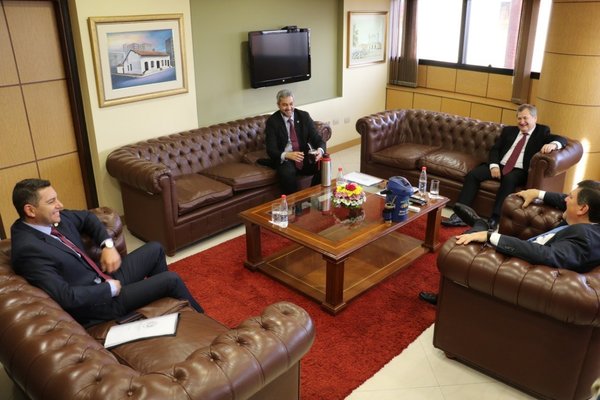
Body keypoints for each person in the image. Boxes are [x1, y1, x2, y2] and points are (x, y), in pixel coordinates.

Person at [10, 178, 204, 327]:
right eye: (52, 201)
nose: (59, 205)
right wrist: (109, 289)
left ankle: (170, 311)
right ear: (30, 210)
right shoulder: (28, 249)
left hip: (103, 276)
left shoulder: (51, 220)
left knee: (155, 249)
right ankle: (203, 324)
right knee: (171, 279)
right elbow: (65, 297)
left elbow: (87, 217)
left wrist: (107, 246)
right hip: (97, 304)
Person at [420, 180, 600, 305]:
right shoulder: (588, 222)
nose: (565, 199)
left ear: (583, 208)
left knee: (465, 244)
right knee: (481, 236)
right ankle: (479, 225)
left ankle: (479, 226)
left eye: (570, 197)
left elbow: (548, 256)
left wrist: (492, 237)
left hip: (525, 268)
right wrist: (538, 193)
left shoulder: (583, 238)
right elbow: (562, 199)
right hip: (528, 250)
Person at [442, 104, 567, 231]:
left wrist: (554, 144)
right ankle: (460, 214)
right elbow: (495, 150)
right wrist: (494, 165)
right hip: (500, 165)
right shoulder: (509, 131)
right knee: (473, 175)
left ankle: (494, 219)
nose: (522, 122)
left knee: (509, 178)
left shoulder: (542, 131)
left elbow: (561, 139)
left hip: (519, 170)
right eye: (519, 118)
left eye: (525, 118)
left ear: (534, 118)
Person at [265, 89, 326, 194]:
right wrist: (287, 155)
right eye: (284, 105)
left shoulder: (304, 116)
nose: (289, 108)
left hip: (304, 155)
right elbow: (271, 149)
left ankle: (314, 195)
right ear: (278, 105)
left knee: (325, 163)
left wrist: (320, 151)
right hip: (286, 159)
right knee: (287, 173)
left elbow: (317, 139)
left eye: (291, 104)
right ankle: (294, 205)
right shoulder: (272, 122)